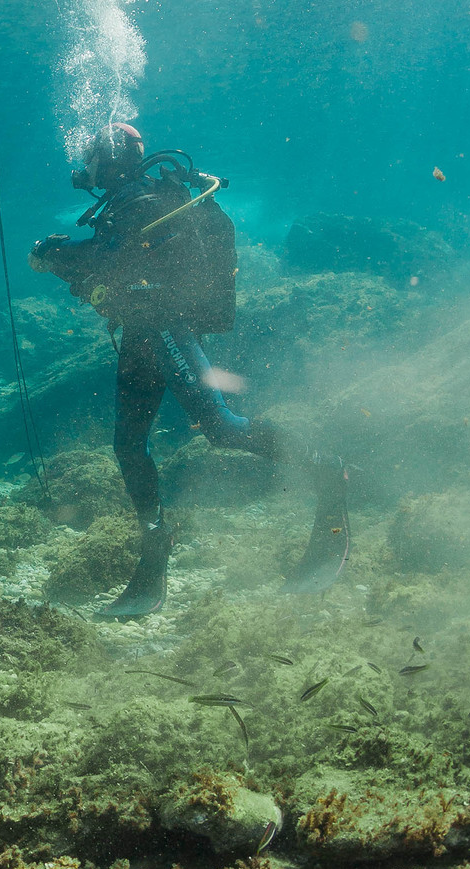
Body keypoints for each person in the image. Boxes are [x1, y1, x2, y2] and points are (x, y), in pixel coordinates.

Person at [29, 123, 350, 619]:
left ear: (110, 159)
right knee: (128, 444)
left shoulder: (144, 198)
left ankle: (326, 468)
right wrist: (67, 261)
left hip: (164, 328)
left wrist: (54, 255)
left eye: (90, 158)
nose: (85, 168)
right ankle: (154, 543)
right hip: (140, 333)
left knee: (219, 426)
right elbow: (110, 266)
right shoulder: (125, 203)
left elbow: (113, 261)